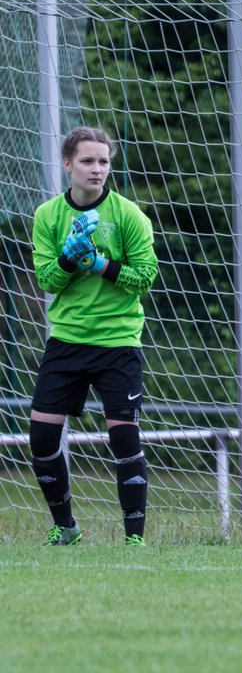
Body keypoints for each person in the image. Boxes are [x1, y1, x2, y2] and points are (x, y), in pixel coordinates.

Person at [28, 126, 158, 546]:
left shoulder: (129, 216)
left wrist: (101, 264)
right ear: (68, 164)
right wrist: (69, 258)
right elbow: (48, 279)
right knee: (43, 436)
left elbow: (145, 278)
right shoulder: (47, 215)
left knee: (123, 437)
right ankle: (66, 527)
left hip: (119, 343)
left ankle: (134, 540)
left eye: (103, 161)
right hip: (67, 340)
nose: (97, 169)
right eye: (87, 161)